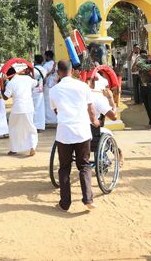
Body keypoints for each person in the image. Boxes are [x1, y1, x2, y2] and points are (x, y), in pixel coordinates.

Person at [50, 60, 100, 211]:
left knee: (64, 168)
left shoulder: (54, 90)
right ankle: (88, 199)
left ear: (58, 72)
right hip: (82, 132)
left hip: (64, 133)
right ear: (72, 71)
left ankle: (65, 204)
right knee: (84, 165)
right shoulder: (83, 86)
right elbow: (91, 109)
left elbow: (56, 111)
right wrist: (95, 121)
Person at [2, 64, 39, 156]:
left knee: (13, 128)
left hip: (17, 109)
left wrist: (2, 88)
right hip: (29, 108)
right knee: (30, 128)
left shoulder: (11, 83)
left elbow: (5, 97)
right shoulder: (27, 78)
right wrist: (30, 74)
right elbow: (37, 83)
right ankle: (32, 147)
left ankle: (14, 149)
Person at [132, 50, 151, 130]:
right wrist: (136, 60)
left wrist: (150, 58)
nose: (143, 57)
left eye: (144, 55)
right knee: (147, 106)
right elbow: (133, 70)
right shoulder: (140, 64)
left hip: (150, 86)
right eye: (141, 55)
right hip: (143, 87)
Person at [42, 50, 58, 125]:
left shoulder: (46, 65)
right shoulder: (56, 64)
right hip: (55, 86)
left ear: (47, 56)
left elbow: (44, 76)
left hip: (48, 87)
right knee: (55, 102)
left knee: (47, 103)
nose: (45, 57)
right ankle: (55, 119)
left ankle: (48, 120)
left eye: (45, 56)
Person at [32, 55, 46, 132]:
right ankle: (40, 126)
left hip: (33, 91)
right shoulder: (44, 69)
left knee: (33, 108)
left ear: (35, 61)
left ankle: (34, 126)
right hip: (40, 91)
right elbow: (44, 80)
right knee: (40, 108)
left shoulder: (32, 70)